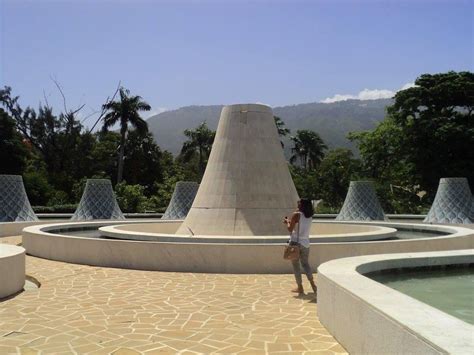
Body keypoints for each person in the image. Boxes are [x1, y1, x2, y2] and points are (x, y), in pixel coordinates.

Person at [283, 198, 317, 295]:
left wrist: (287, 221)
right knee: (306, 264)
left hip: (295, 243)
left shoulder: (296, 214)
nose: (297, 205)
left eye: (299, 203)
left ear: (302, 205)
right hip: (306, 243)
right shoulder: (310, 216)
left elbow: (290, 229)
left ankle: (300, 287)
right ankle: (313, 285)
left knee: (296, 265)